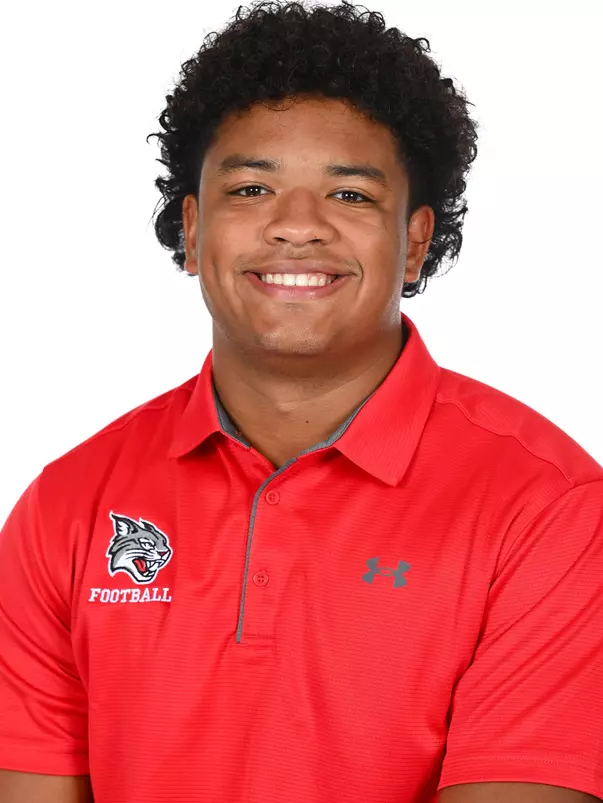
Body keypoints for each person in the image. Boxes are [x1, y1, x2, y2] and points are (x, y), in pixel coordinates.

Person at [0, 1, 601, 801]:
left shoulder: (548, 508)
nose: (295, 227)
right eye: (252, 188)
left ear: (415, 241)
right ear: (191, 227)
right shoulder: (66, 505)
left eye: (350, 197)